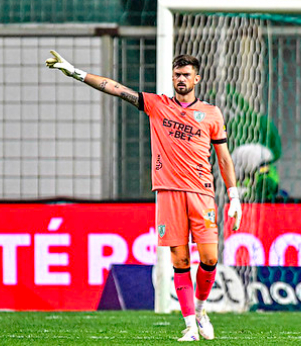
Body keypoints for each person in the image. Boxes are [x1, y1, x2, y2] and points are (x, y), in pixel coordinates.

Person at [45, 51, 242, 342]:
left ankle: (200, 310)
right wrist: (75, 72)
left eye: (186, 74)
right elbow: (115, 87)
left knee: (211, 257)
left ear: (197, 78)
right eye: (177, 75)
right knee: (180, 260)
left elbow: (224, 158)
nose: (181, 79)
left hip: (202, 193)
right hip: (168, 194)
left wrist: (234, 195)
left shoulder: (211, 114)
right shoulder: (157, 104)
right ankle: (189, 325)